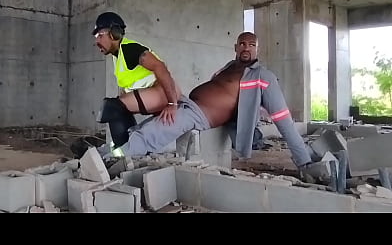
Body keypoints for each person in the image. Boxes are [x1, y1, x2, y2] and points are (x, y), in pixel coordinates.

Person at [100, 31, 312, 169]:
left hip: (200, 115)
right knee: (142, 126)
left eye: (251, 45)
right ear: (236, 47)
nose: (246, 48)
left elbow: (283, 119)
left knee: (151, 133)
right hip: (188, 104)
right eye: (242, 44)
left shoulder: (263, 77)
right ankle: (109, 153)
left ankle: (112, 164)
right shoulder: (230, 66)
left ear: (258, 49)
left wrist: (304, 162)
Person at [70, 11, 181, 157]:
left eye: (99, 35)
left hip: (165, 92)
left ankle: (125, 153)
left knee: (112, 107)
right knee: (116, 108)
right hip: (154, 93)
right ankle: (127, 148)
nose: (96, 41)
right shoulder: (117, 56)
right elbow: (129, 86)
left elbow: (160, 67)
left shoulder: (130, 49)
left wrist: (172, 104)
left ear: (113, 33)